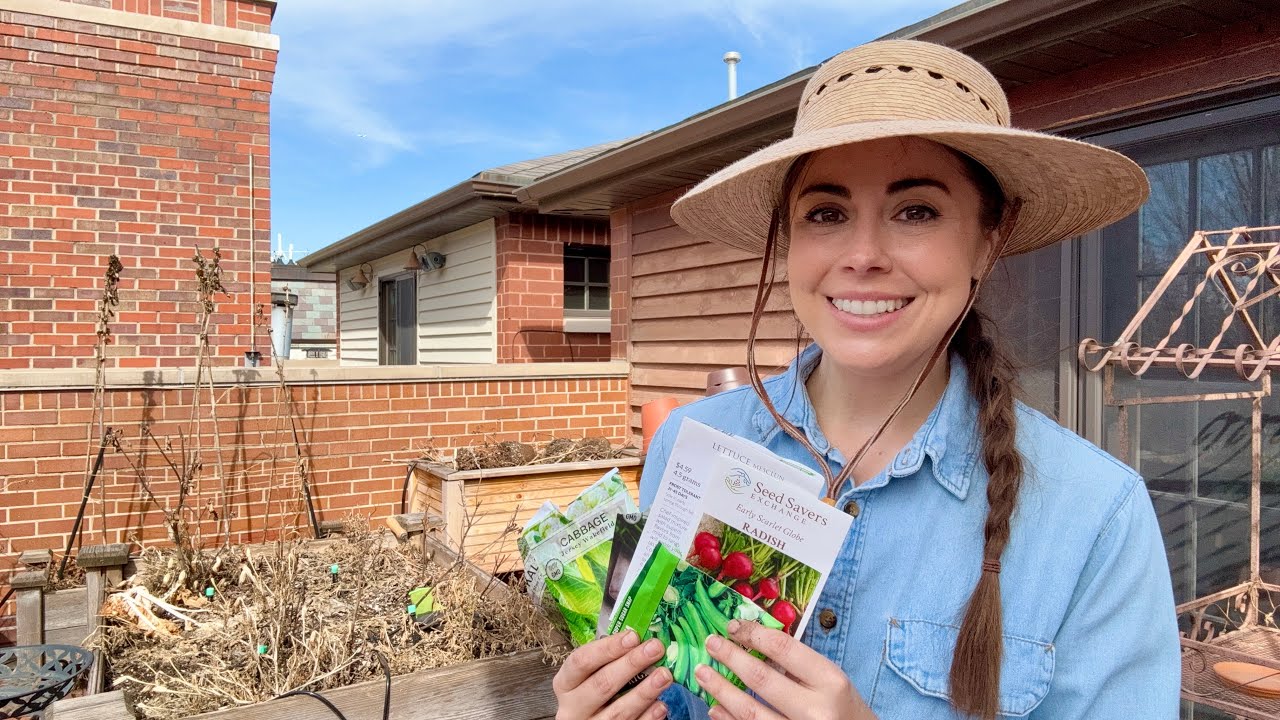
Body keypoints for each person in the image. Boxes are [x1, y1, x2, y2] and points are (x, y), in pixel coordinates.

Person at [551, 39, 1180, 720]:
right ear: (789, 241)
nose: (862, 256)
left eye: (916, 211)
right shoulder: (691, 442)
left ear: (987, 241)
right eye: (826, 213)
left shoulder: (1093, 518)